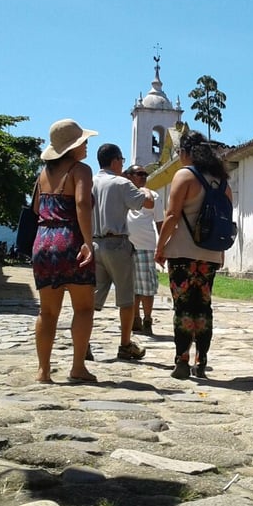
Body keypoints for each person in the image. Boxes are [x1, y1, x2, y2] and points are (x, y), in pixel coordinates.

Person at [154, 130, 233, 380]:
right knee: (203, 307)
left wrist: (160, 246)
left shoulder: (185, 175)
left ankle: (182, 359)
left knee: (183, 307)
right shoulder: (222, 182)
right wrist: (220, 252)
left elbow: (172, 215)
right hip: (210, 254)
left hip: (182, 253)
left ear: (186, 152)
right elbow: (225, 220)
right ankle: (202, 360)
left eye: (179, 152)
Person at [31, 118, 97, 384]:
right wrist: (88, 241)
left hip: (43, 242)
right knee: (84, 308)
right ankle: (78, 367)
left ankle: (43, 371)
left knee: (47, 312)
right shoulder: (81, 170)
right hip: (70, 239)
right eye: (83, 141)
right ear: (72, 146)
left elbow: (36, 207)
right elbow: (82, 203)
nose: (87, 144)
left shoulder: (43, 174)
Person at [92, 144, 153, 361]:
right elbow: (147, 203)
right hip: (117, 243)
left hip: (95, 243)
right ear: (116, 160)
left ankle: (84, 343)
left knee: (92, 299)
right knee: (126, 298)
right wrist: (145, 189)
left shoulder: (90, 182)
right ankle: (125, 344)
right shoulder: (121, 183)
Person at [125, 164, 164, 336]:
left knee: (147, 287)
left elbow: (160, 223)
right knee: (131, 287)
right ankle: (135, 318)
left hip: (146, 246)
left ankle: (147, 318)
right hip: (126, 246)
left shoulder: (153, 196)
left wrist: (162, 246)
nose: (143, 177)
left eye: (144, 174)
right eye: (139, 173)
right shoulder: (123, 194)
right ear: (129, 176)